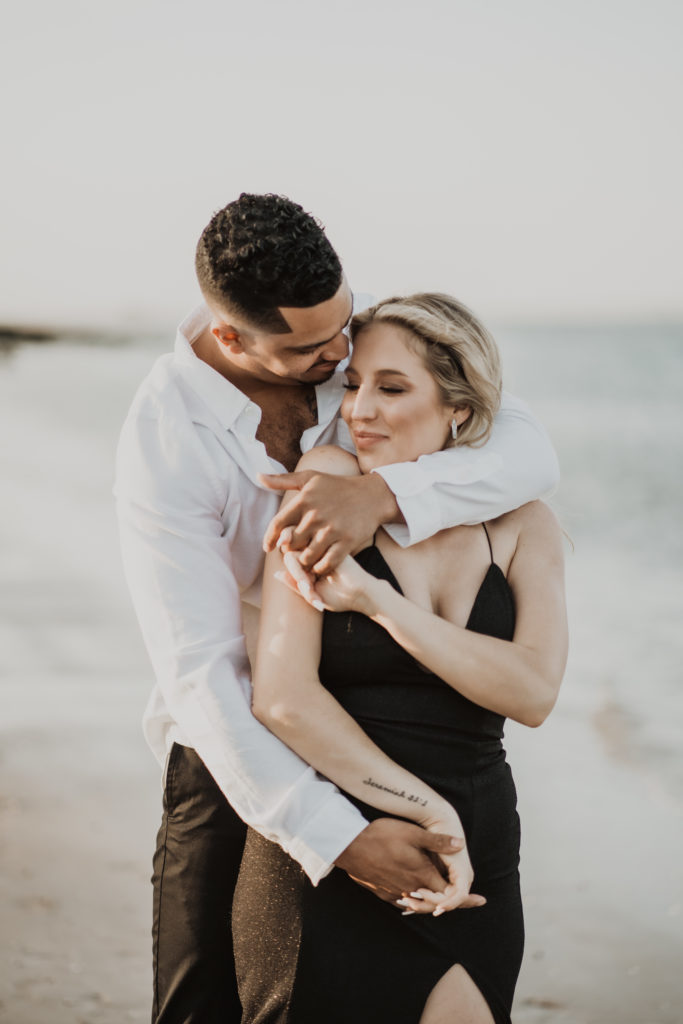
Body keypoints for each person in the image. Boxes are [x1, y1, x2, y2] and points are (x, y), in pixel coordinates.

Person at [114, 195, 560, 1024]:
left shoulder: (355, 339)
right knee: (198, 999)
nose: (339, 361)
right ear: (231, 340)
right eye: (313, 351)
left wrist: (380, 495)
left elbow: (523, 447)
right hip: (233, 752)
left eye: (343, 328)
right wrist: (338, 834)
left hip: (382, 718)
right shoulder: (165, 439)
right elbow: (202, 677)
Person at [238, 293, 568, 1024]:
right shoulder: (324, 480)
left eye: (391, 388)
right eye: (353, 385)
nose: (359, 410)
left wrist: (378, 604)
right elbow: (284, 698)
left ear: (458, 408)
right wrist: (426, 808)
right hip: (338, 839)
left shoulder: (523, 523)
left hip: (477, 850)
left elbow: (533, 692)